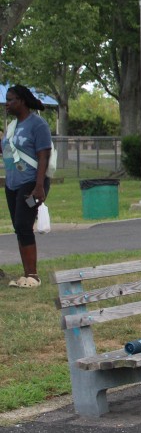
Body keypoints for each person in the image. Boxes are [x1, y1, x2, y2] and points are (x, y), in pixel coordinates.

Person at [3, 84, 53, 288]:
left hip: (32, 183)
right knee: (19, 227)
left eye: (10, 100)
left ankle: (33, 276)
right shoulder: (12, 126)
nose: (7, 104)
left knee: (24, 224)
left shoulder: (37, 124)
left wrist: (39, 186)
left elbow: (44, 156)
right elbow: (8, 151)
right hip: (12, 184)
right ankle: (26, 275)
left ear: (22, 101)